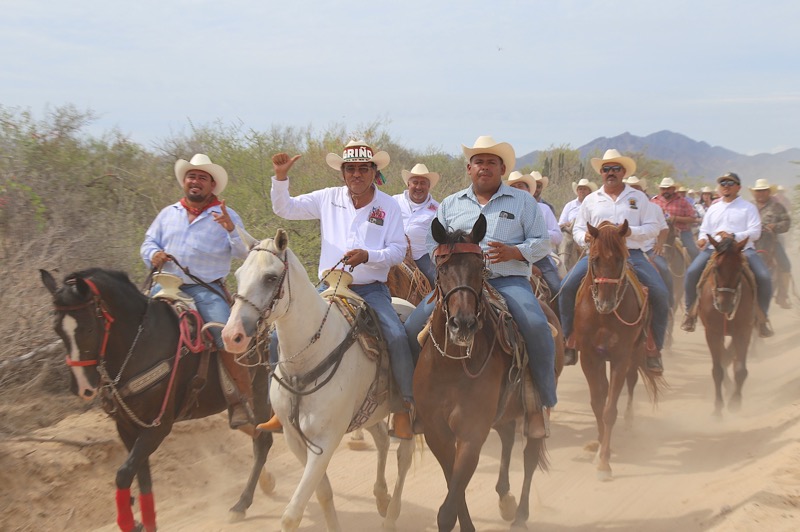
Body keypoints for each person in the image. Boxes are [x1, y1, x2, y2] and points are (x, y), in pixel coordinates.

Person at [262, 140, 415, 439]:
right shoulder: (327, 198)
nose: (356, 174)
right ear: (342, 173)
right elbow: (285, 208)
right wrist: (280, 178)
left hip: (370, 289)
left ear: (374, 171)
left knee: (397, 337)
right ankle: (278, 409)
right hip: (329, 286)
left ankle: (403, 408)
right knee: (275, 336)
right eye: (351, 169)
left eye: (363, 169)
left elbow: (398, 250)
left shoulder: (388, 205)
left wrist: (369, 255)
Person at [404, 135, 556, 437]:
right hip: (460, 284)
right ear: (468, 169)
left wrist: (516, 252)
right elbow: (433, 242)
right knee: (411, 328)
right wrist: (448, 259)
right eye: (478, 162)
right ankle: (417, 404)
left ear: (501, 169)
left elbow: (543, 243)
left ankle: (538, 404)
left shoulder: (523, 201)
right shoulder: (451, 204)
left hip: (508, 280)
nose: (484, 167)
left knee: (536, 326)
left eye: (491, 162)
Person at [141, 154, 254, 428]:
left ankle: (240, 401)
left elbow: (245, 252)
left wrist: (230, 229)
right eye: (191, 176)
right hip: (164, 285)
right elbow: (148, 242)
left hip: (205, 290)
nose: (195, 181)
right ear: (185, 181)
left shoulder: (226, 215)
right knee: (132, 324)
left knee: (228, 337)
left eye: (202, 178)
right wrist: (153, 255)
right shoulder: (169, 213)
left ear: (212, 185)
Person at [558, 149, 669, 371]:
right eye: (606, 169)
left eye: (615, 169)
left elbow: (653, 227)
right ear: (601, 172)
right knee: (566, 286)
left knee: (660, 293)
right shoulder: (591, 200)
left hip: (631, 254)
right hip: (596, 255)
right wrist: (584, 237)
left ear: (623, 172)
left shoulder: (638, 199)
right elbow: (578, 228)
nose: (611, 173)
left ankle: (653, 347)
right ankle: (569, 339)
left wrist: (630, 233)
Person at [681, 172, 774, 337]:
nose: (726, 186)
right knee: (691, 272)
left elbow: (755, 232)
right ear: (719, 187)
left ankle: (762, 318)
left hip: (743, 250)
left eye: (730, 183)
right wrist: (702, 239)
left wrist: (733, 236)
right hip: (715, 250)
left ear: (738, 187)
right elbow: (705, 229)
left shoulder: (748, 207)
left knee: (764, 277)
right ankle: (690, 314)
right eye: (723, 183)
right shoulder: (714, 208)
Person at [507, 171, 562, 298]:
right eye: (513, 188)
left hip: (539, 258)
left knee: (557, 288)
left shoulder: (544, 209)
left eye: (520, 186)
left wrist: (538, 232)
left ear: (528, 189)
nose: (517, 190)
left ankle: (562, 317)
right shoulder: (503, 211)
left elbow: (558, 236)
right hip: (511, 257)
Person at [393, 163, 440, 287]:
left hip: (421, 255)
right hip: (392, 250)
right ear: (408, 184)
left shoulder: (437, 209)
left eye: (423, 183)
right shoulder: (394, 201)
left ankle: (438, 306)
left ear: (429, 186)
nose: (418, 186)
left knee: (439, 283)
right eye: (415, 182)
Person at [750, 178, 792, 309]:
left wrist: (775, 226)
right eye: (758, 191)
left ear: (768, 192)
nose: (761, 194)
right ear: (755, 193)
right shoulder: (749, 207)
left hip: (771, 242)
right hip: (750, 243)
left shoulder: (777, 207)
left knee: (785, 265)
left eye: (763, 191)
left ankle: (782, 295)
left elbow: (786, 223)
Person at [651, 177, 701, 260]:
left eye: (668, 189)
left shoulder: (682, 201)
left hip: (681, 232)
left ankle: (696, 271)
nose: (665, 191)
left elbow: (692, 218)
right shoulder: (654, 201)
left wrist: (676, 218)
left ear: (673, 189)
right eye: (663, 189)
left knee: (693, 251)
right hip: (658, 232)